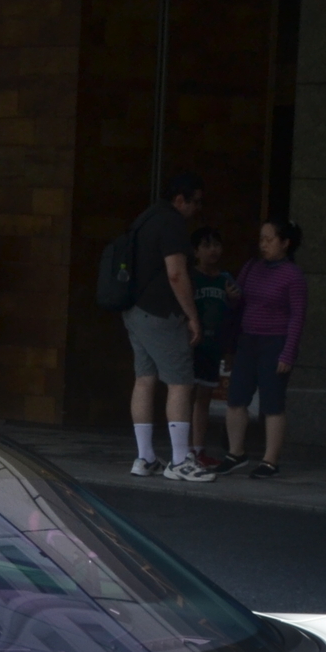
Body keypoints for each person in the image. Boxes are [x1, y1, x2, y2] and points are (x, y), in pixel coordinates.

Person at [124, 171, 211, 482]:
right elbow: (176, 273)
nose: (198, 209)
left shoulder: (145, 218)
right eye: (196, 202)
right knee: (180, 382)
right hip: (161, 313)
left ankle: (145, 457)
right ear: (180, 200)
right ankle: (179, 460)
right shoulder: (172, 223)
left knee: (144, 380)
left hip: (134, 310)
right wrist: (192, 316)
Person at [223, 218, 309, 478]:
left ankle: (270, 460)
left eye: (269, 239)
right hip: (248, 339)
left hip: (275, 341)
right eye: (261, 238)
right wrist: (232, 298)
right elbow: (239, 305)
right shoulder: (252, 267)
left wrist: (288, 352)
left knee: (272, 402)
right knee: (236, 398)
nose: (263, 244)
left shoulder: (293, 275)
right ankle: (235, 452)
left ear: (285, 243)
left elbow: (297, 316)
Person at [185, 228, 231, 471]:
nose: (213, 250)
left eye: (216, 245)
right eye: (206, 245)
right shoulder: (190, 277)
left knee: (203, 398)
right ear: (195, 251)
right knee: (185, 395)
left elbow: (233, 313)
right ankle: (183, 450)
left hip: (214, 346)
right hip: (192, 344)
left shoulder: (226, 280)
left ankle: (199, 449)